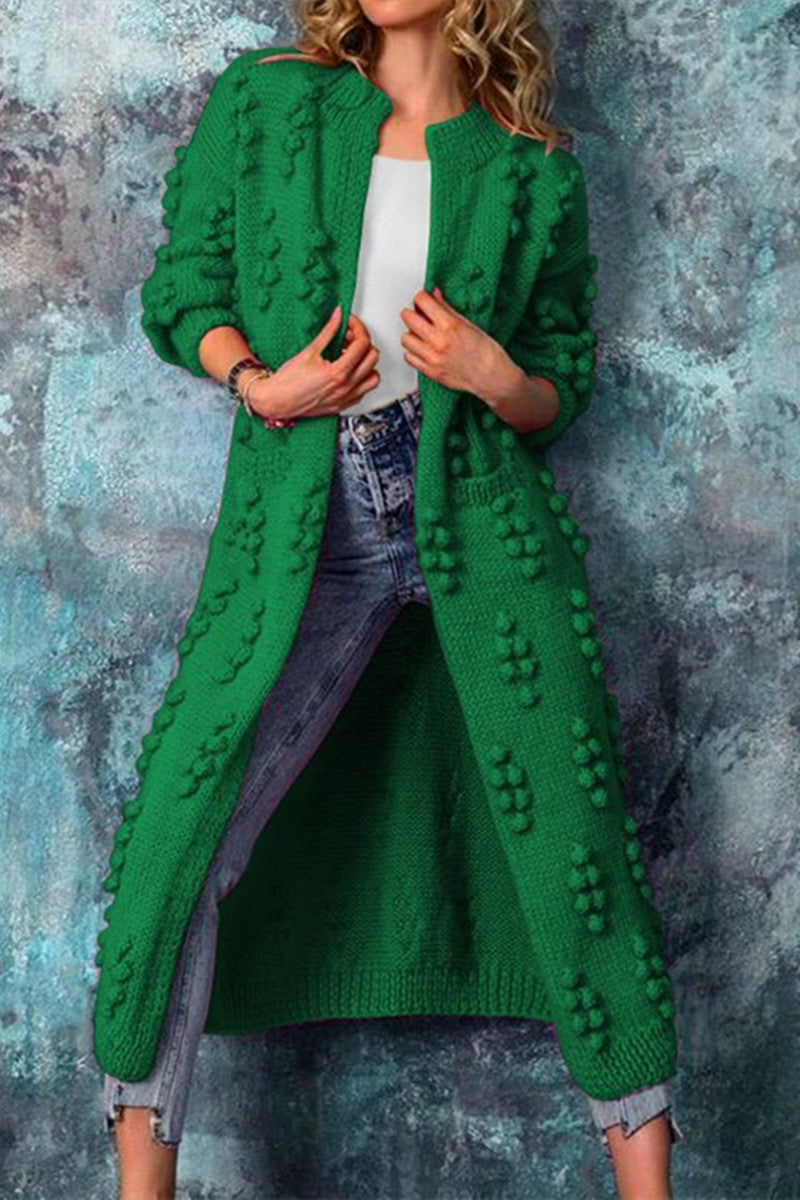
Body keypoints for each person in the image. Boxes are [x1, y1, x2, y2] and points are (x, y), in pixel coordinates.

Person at [96, 3, 684, 1198]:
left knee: (577, 857)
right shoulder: (268, 100)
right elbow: (185, 291)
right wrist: (261, 385)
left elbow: (558, 379)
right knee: (178, 833)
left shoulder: (528, 165)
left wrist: (494, 373)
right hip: (310, 524)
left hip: (486, 525)